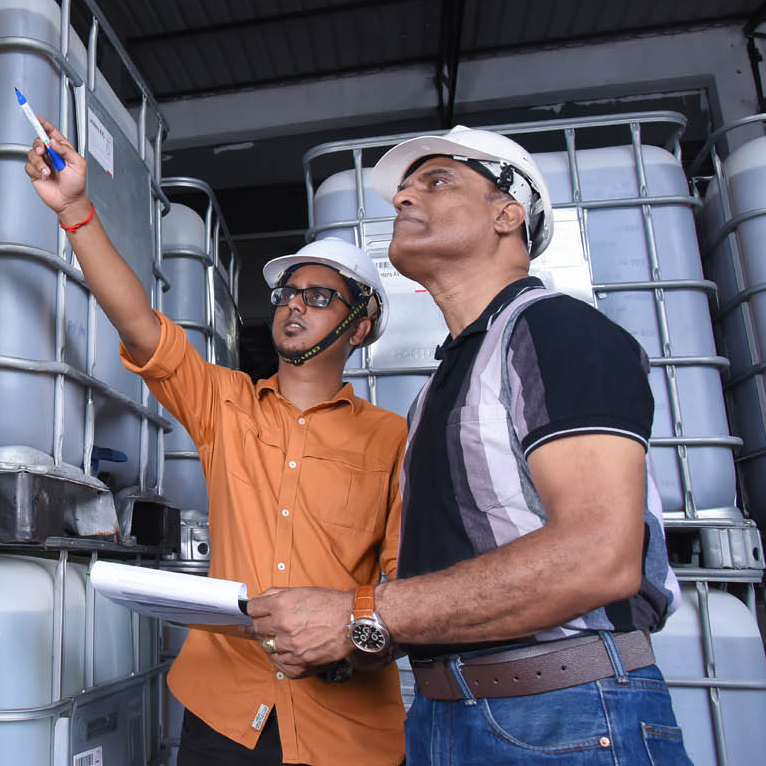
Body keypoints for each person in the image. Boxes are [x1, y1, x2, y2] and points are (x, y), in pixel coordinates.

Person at [246, 126, 691, 765]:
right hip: (449, 715)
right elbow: (456, 568)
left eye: (437, 181)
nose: (403, 198)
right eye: (403, 189)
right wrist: (356, 638)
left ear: (507, 215)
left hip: (564, 717)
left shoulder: (554, 330)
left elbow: (599, 555)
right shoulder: (442, 385)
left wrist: (358, 613)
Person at [24, 118, 406, 766]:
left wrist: (348, 642)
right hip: (223, 715)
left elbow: (406, 584)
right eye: (288, 293)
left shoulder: (393, 437)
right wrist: (76, 211)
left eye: (319, 297)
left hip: (345, 730)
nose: (294, 305)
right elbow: (140, 326)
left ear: (359, 325)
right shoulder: (226, 404)